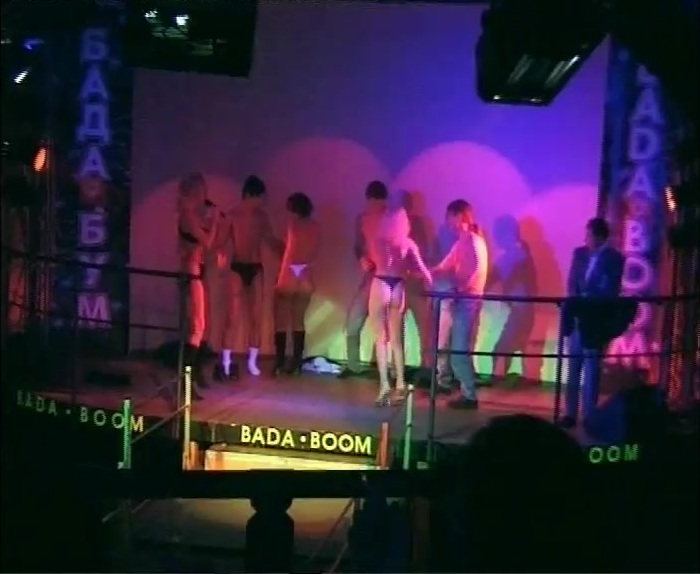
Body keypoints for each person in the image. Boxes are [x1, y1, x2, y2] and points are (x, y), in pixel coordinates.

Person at [559, 217, 625, 429]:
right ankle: (569, 413)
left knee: (592, 369)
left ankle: (590, 416)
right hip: (578, 317)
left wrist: (589, 298)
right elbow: (572, 282)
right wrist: (576, 301)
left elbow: (610, 290)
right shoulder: (579, 254)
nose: (585, 239)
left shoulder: (614, 258)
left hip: (596, 321)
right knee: (573, 366)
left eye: (588, 235)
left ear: (599, 237)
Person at [215, 175, 282, 380]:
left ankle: (252, 361)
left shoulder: (262, 217)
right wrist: (220, 255)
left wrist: (288, 252)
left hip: (256, 268)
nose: (262, 202)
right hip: (237, 267)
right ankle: (226, 362)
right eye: (261, 198)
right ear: (251, 195)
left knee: (256, 317)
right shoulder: (232, 215)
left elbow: (270, 240)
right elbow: (220, 242)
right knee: (232, 317)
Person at [367, 199, 432, 406]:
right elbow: (425, 273)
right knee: (396, 339)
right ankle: (401, 383)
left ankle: (385, 386)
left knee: (380, 338)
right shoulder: (408, 243)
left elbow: (372, 262)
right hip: (398, 287)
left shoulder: (379, 240)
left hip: (381, 283)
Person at [432, 200, 488, 409]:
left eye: (450, 217)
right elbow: (445, 265)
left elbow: (475, 271)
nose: (448, 222)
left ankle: (470, 395)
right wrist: (423, 272)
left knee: (458, 353)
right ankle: (466, 392)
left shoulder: (474, 241)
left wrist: (460, 289)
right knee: (456, 350)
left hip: (467, 302)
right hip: (461, 301)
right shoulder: (463, 241)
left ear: (459, 216)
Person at [338, 181, 389, 378]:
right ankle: (353, 365)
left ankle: (385, 368)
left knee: (383, 325)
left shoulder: (390, 220)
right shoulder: (362, 219)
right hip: (369, 276)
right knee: (353, 320)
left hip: (385, 278)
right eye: (371, 201)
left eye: (378, 202)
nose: (374, 205)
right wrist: (362, 258)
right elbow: (358, 246)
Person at [177, 172, 219, 399]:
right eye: (202, 191)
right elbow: (207, 242)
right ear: (194, 192)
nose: (205, 195)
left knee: (201, 327)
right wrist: (214, 222)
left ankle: (195, 375)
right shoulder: (188, 215)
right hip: (191, 271)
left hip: (196, 269)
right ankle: (187, 383)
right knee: (197, 328)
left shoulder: (192, 214)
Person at [273, 192, 321, 375]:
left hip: (290, 271)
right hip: (306, 273)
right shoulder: (315, 226)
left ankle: (279, 362)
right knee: (298, 321)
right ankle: (297, 363)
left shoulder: (292, 225)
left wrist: (281, 278)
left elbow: (288, 251)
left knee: (281, 320)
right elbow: (314, 252)